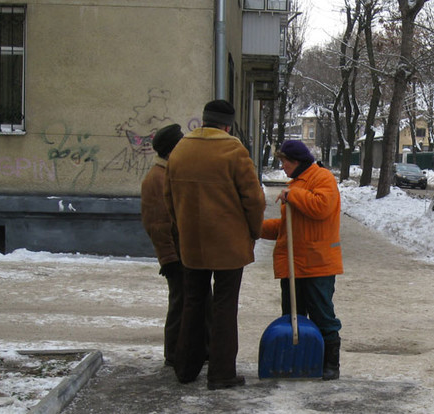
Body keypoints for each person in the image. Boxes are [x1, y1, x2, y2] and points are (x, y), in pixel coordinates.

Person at [164, 100, 266, 390]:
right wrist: (253, 231)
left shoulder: (180, 150)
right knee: (224, 306)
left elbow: (168, 197)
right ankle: (221, 373)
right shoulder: (233, 150)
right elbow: (254, 199)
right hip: (228, 244)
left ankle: (185, 368)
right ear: (227, 125)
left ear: (204, 120)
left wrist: (180, 229)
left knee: (193, 302)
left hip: (192, 242)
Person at [260, 140, 344, 380]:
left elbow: (321, 207)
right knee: (293, 317)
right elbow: (289, 228)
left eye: (284, 162)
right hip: (294, 264)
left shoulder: (322, 178)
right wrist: (256, 229)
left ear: (297, 161)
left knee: (323, 315)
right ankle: (298, 359)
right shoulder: (296, 184)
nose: (283, 167)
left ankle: (330, 364)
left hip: (317, 264)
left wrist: (293, 194)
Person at [140, 123, 184, 367]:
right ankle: (174, 354)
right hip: (175, 255)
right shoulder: (157, 179)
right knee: (179, 303)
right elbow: (156, 223)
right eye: (180, 144)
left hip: (183, 252)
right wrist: (168, 259)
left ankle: (190, 349)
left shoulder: (169, 173)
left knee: (189, 301)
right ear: (170, 150)